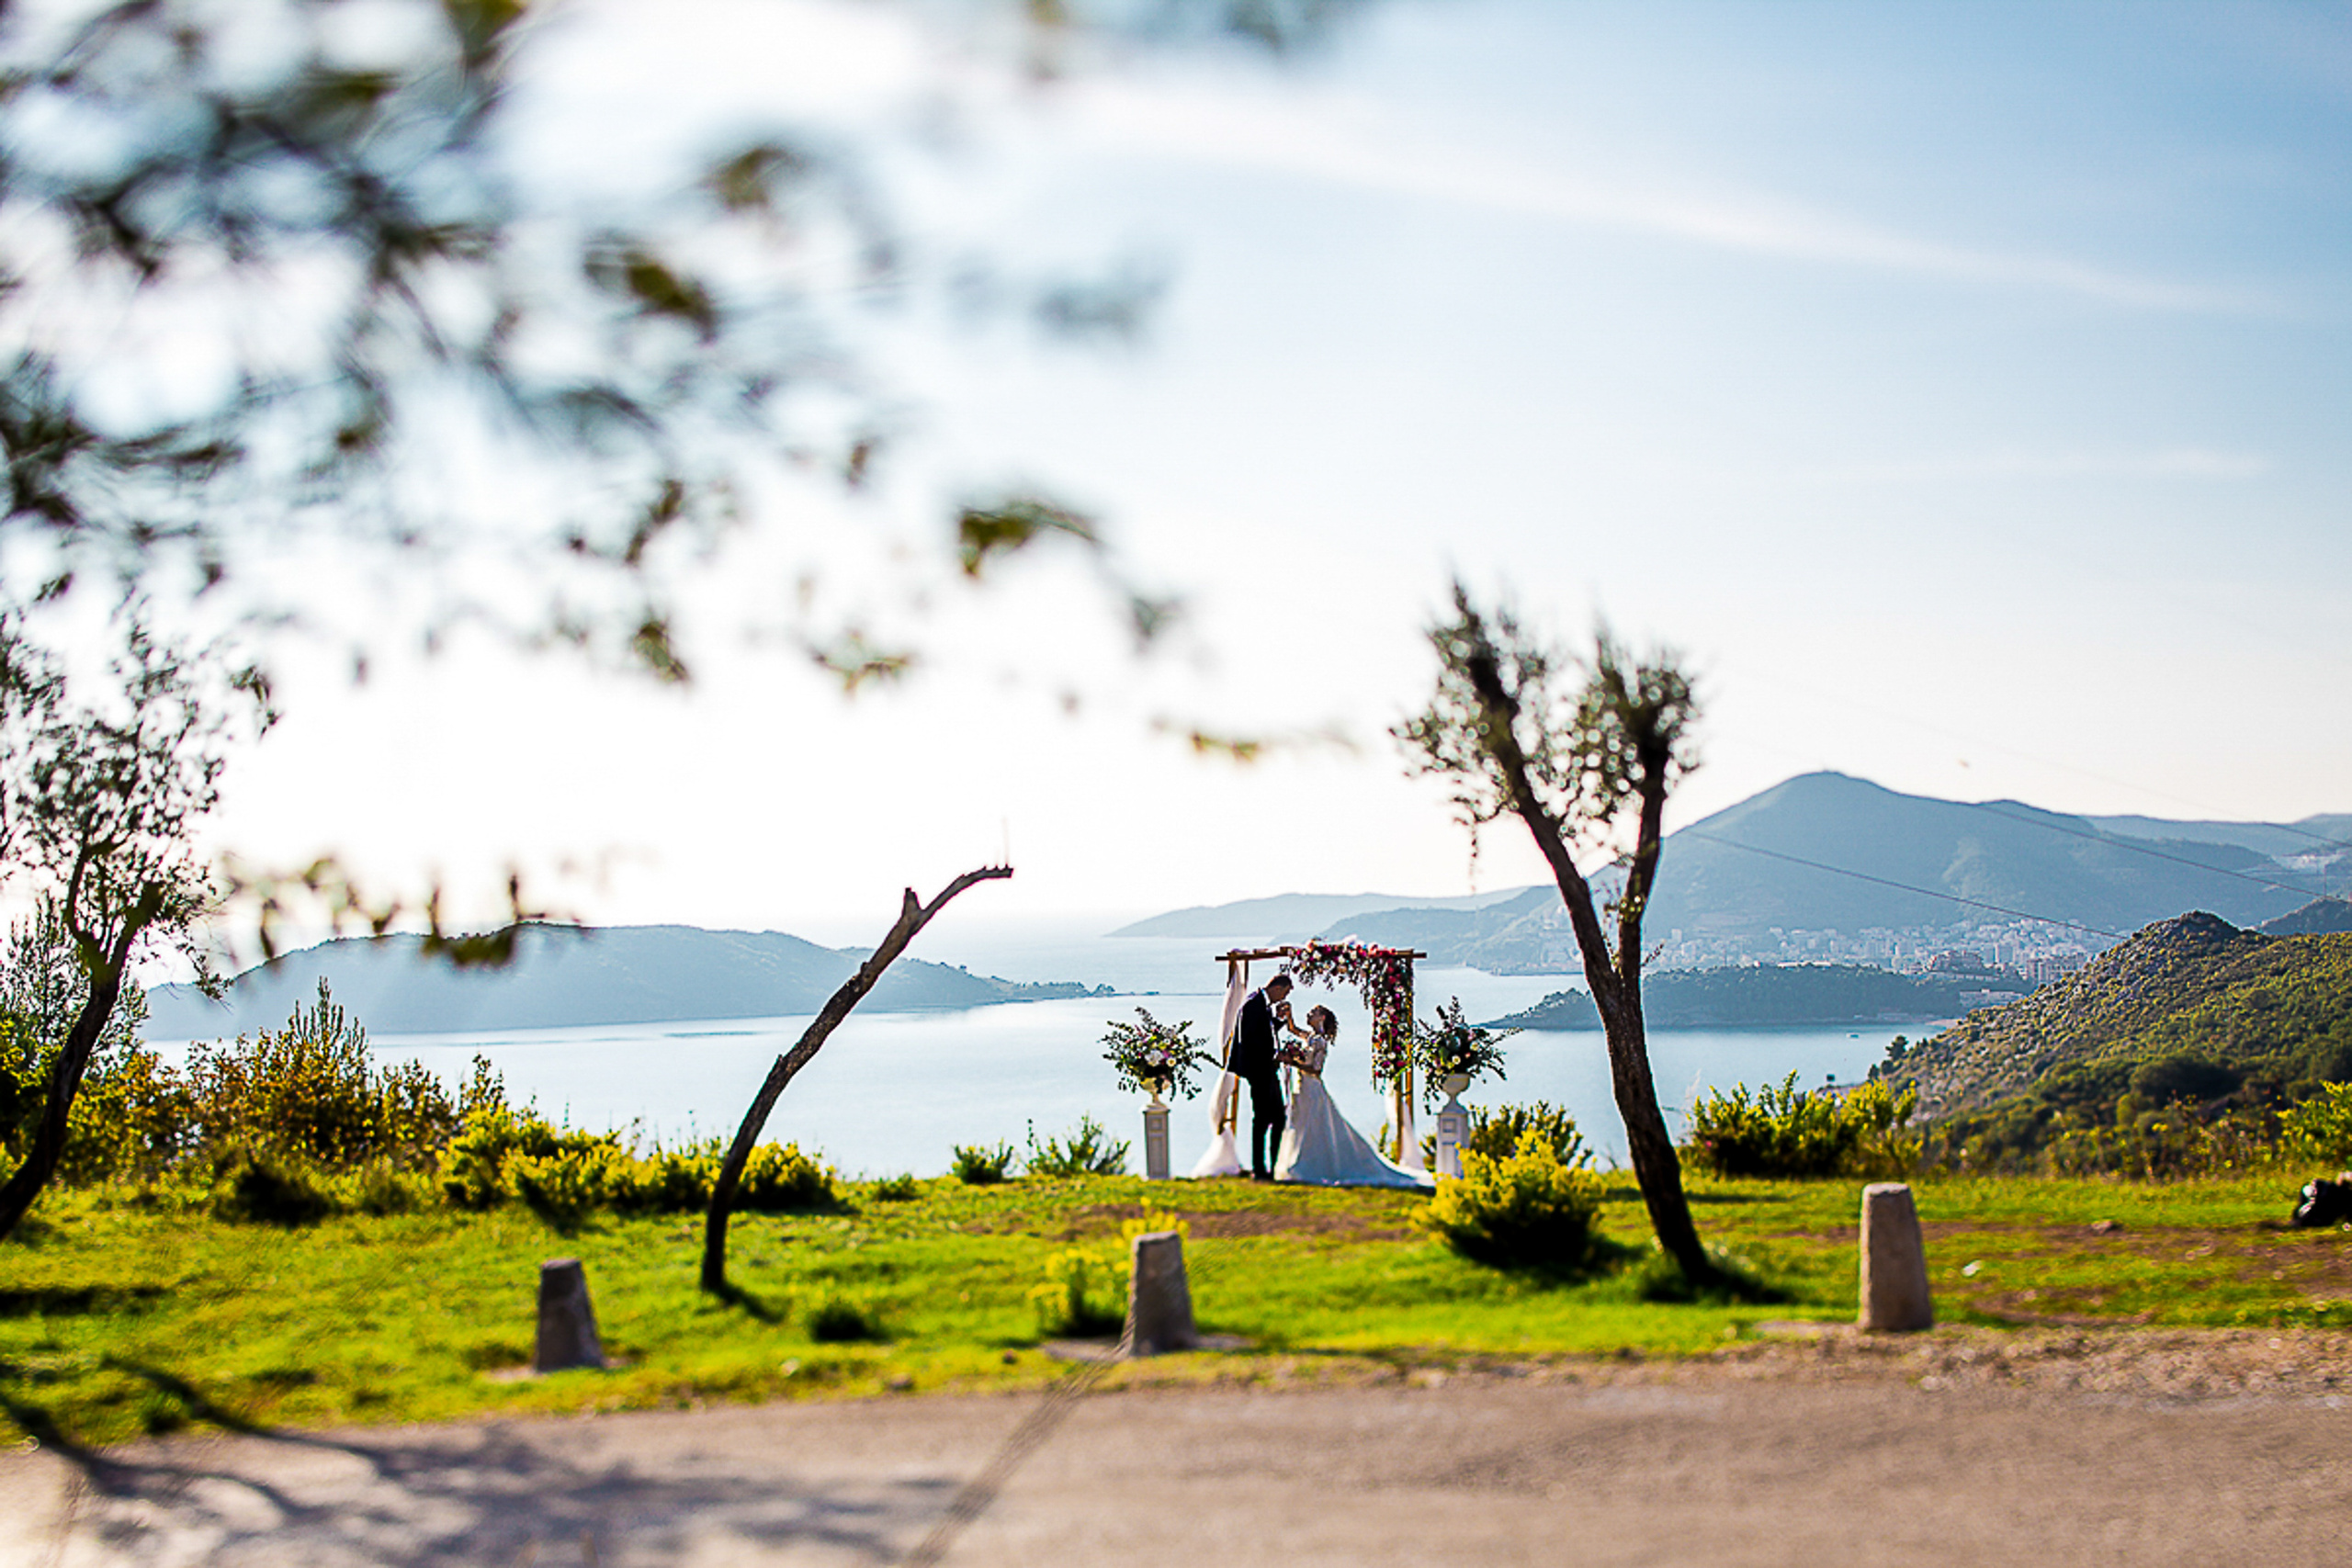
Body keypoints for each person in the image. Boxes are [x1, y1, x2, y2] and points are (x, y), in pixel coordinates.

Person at [1274, 1005, 1433, 1189]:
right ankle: (1298, 1162)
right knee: (1301, 1123)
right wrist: (1289, 1014)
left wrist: (1293, 1063)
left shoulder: (1320, 1041)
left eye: (1314, 1012)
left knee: (1311, 1126)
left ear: (1322, 1018)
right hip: (1301, 1087)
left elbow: (1316, 1070)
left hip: (1312, 1088)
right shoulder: (1310, 1037)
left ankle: (1305, 1165)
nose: (1309, 1013)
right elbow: (1293, 1029)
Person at [1229, 973, 1293, 1180]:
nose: (1283, 998)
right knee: (1265, 1120)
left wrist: (1279, 1021)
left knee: (1275, 1119)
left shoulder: (1260, 1004)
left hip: (1266, 1069)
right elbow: (1250, 1040)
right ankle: (1261, 1169)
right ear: (1277, 988)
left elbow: (1263, 1032)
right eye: (1284, 993)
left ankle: (1270, 1167)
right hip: (1260, 1071)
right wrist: (1274, 1056)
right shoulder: (1253, 1004)